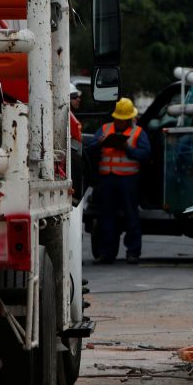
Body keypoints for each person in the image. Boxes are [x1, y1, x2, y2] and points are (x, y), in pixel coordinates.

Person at [85, 97, 150, 264]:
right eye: (119, 120)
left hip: (128, 181)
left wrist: (127, 148)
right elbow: (90, 149)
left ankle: (133, 252)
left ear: (130, 119)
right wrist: (99, 144)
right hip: (107, 180)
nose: (121, 123)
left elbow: (145, 155)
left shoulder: (138, 133)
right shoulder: (105, 129)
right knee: (106, 218)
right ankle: (106, 253)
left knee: (131, 216)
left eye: (124, 120)